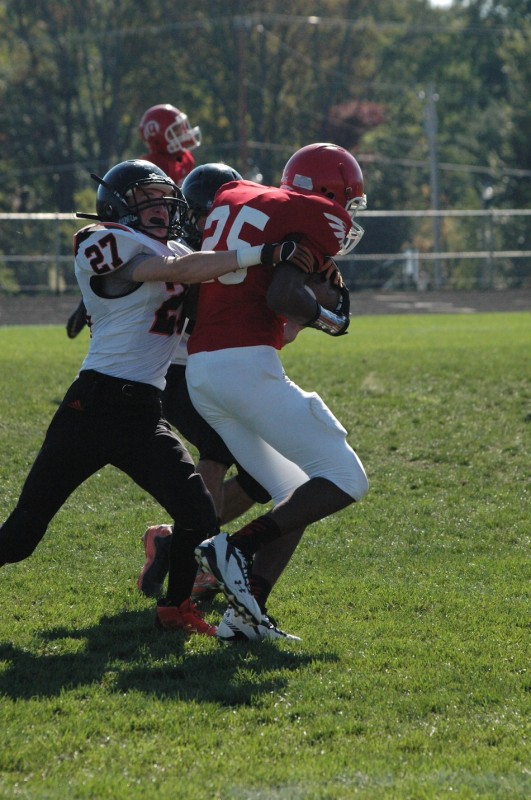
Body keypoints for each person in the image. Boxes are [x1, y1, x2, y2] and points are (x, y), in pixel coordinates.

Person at [0, 158, 313, 638]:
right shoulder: (102, 240)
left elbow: (222, 307)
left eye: (162, 197)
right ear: (117, 206)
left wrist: (303, 304)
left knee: (198, 515)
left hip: (145, 410)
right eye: (145, 199)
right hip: (93, 405)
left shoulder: (182, 250)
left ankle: (175, 607)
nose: (160, 207)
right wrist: (260, 254)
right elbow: (172, 269)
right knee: (23, 534)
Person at [185, 143, 370, 641]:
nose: (346, 215)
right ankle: (237, 548)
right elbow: (281, 296)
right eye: (345, 202)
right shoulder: (305, 215)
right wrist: (328, 317)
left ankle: (246, 617)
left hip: (203, 370)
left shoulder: (241, 197)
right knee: (347, 478)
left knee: (294, 493)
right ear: (328, 193)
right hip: (243, 366)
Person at [137, 163, 273, 603]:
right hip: (172, 372)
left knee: (262, 477)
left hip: (214, 370)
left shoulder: (221, 245)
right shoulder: (183, 250)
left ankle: (174, 542)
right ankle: (198, 562)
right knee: (216, 448)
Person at [66, 103, 201, 339]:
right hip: (151, 233)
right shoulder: (149, 166)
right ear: (158, 135)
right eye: (176, 131)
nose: (183, 134)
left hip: (174, 228)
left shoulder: (185, 159)